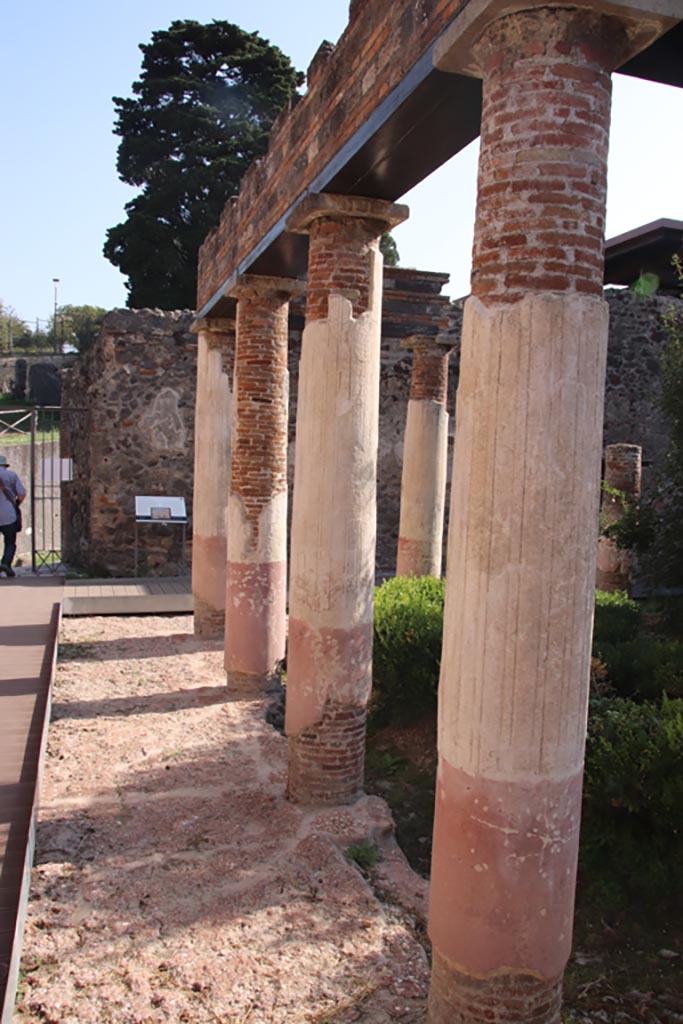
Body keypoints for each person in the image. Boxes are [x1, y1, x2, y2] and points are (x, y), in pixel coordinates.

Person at [0, 454, 27, 578]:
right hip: (8, 514)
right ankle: (6, 564)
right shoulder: (11, 476)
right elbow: (22, 493)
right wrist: (16, 504)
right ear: (5, 465)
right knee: (10, 542)